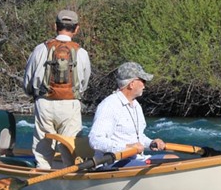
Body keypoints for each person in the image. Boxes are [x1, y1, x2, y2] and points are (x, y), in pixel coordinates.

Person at [23, 9, 91, 168]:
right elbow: (84, 83)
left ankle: (43, 175)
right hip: (70, 104)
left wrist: (32, 94)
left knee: (43, 149)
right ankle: (71, 178)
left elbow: (27, 79)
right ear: (76, 29)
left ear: (55, 26)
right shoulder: (82, 53)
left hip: (44, 103)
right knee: (71, 147)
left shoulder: (41, 49)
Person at [88, 61, 168, 167]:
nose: (145, 85)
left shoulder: (136, 105)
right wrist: (126, 147)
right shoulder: (109, 105)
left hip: (137, 159)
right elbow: (95, 140)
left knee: (173, 159)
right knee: (158, 166)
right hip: (114, 163)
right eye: (143, 81)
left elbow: (138, 138)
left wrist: (151, 143)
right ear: (131, 84)